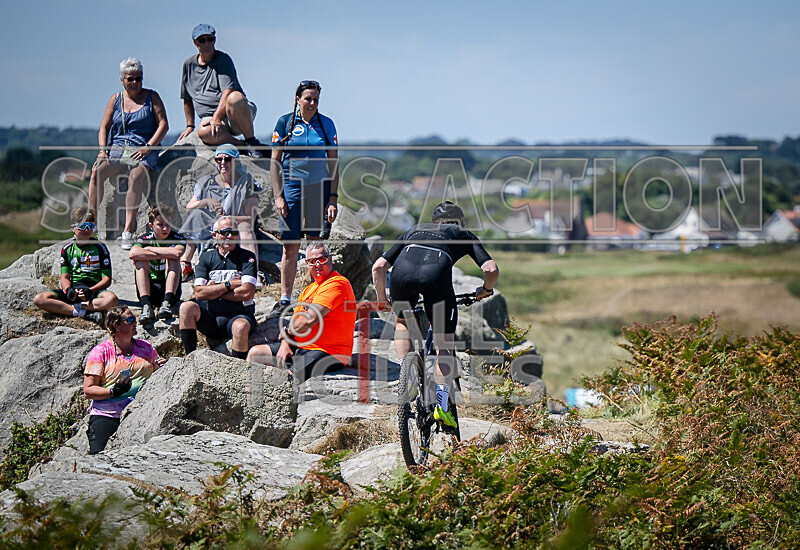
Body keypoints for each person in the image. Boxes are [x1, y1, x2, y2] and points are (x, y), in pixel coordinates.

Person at [371, 201, 499, 429]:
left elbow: (378, 267)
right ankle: (441, 404)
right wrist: (486, 290)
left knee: (403, 322)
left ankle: (407, 376)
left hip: (402, 276)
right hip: (436, 277)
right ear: (459, 222)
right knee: (444, 344)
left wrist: (382, 299)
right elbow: (490, 269)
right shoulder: (462, 233)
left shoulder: (414, 230)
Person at [269, 80, 339, 315]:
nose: (312, 103)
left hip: (318, 190)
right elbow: (274, 162)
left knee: (315, 247)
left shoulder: (326, 124)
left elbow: (334, 164)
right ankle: (285, 298)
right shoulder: (285, 122)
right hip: (292, 188)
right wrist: (278, 196)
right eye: (308, 98)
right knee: (290, 247)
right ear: (298, 99)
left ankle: (317, 295)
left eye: (316, 99)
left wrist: (332, 198)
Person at [88, 57, 169, 250]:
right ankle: (91, 223)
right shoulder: (115, 99)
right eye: (130, 79)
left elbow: (163, 125)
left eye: (138, 78)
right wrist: (102, 151)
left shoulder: (152, 97)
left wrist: (149, 146)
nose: (135, 83)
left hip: (144, 148)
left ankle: (128, 231)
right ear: (122, 80)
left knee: (135, 176)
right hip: (118, 149)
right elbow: (104, 127)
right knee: (96, 173)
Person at [247, 242, 356, 382]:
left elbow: (308, 321)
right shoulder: (308, 290)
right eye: (312, 261)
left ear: (330, 259)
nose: (317, 264)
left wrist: (286, 331)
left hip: (328, 351)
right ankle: (247, 393)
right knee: (255, 354)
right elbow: (295, 322)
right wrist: (285, 345)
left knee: (287, 378)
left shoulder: (337, 283)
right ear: (306, 263)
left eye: (322, 259)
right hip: (300, 346)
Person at [83, 306, 166, 454]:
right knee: (99, 456)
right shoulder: (100, 352)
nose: (135, 323)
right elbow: (88, 390)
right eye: (130, 320)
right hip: (108, 414)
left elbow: (156, 371)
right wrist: (113, 392)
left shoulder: (145, 347)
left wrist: (160, 367)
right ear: (116, 325)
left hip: (142, 410)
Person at [178, 143, 262, 282]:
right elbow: (189, 208)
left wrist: (227, 218)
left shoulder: (246, 183)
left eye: (227, 159)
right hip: (211, 226)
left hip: (235, 226)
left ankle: (253, 273)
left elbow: (250, 218)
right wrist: (206, 201)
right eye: (219, 159)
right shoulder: (207, 182)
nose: (223, 163)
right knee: (196, 216)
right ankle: (185, 264)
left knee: (245, 228)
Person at [178, 24, 265, 157]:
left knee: (235, 97)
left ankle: (251, 141)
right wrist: (190, 126)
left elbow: (227, 92)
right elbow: (187, 97)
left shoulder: (223, 60)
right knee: (204, 131)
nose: (207, 43)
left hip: (234, 114)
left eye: (210, 39)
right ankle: (242, 145)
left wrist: (217, 117)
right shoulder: (188, 65)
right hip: (210, 118)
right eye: (202, 40)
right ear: (195, 43)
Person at [179, 216, 257, 359]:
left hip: (239, 315)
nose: (230, 236)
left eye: (234, 232)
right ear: (214, 235)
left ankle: (238, 369)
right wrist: (228, 285)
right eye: (225, 232)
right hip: (211, 318)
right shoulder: (205, 258)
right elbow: (199, 293)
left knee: (240, 326)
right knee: (186, 307)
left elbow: (247, 293)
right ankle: (189, 360)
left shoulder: (248, 257)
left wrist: (214, 291)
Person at [33, 207, 119, 323]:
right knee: (39, 299)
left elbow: (107, 280)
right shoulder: (67, 249)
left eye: (90, 226)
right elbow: (64, 277)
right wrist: (69, 290)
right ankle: (83, 312)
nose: (87, 230)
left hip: (93, 291)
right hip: (74, 290)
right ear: (73, 228)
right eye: (82, 226)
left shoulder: (100, 247)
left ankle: (75, 308)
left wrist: (90, 291)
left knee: (112, 299)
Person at [129, 205, 186, 324]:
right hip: (150, 289)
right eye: (160, 225)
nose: (165, 228)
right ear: (151, 226)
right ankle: (146, 307)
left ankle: (166, 304)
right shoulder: (145, 238)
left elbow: (177, 253)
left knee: (174, 259)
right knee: (140, 260)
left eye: (168, 224)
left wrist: (149, 249)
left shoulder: (176, 238)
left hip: (170, 291)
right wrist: (163, 253)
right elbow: (133, 253)